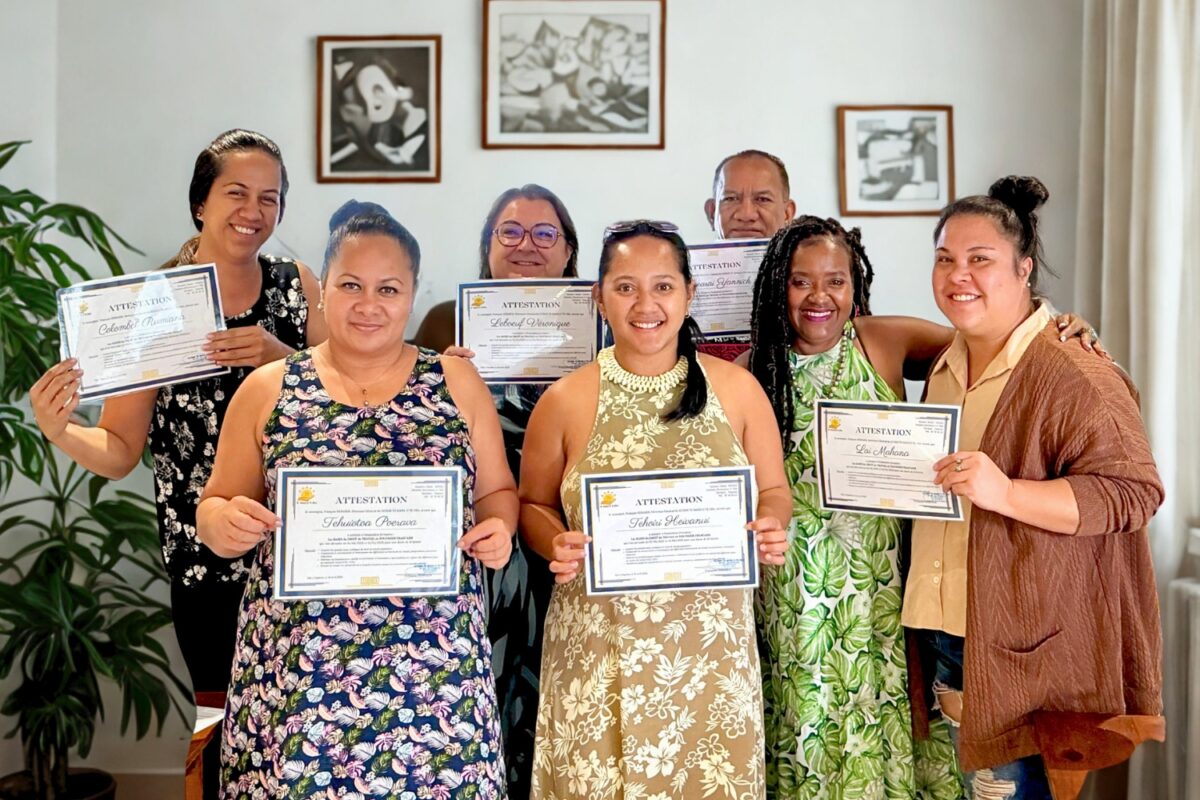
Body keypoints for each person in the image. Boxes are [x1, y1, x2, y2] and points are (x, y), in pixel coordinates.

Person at [742, 215, 1105, 799]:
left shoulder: (882, 339)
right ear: (776, 285)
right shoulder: (749, 373)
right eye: (800, 281)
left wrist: (1059, 322)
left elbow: (998, 343)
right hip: (796, 595)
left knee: (902, 719)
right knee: (809, 722)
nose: (818, 297)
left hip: (888, 585)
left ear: (856, 285)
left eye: (835, 281)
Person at [28, 129, 324, 797]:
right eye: (236, 193)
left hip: (304, 548)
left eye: (270, 198)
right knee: (220, 723)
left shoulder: (298, 286)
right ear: (200, 203)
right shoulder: (154, 304)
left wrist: (282, 357)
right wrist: (60, 430)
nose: (253, 211)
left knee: (303, 724)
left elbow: (345, 404)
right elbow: (119, 449)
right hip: (205, 558)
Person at [196, 201, 516, 797]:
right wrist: (224, 522)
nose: (369, 304)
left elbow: (497, 490)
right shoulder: (268, 387)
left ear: (412, 295)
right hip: (299, 669)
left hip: (435, 665)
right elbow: (213, 505)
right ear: (323, 291)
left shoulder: (456, 382)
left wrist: (498, 528)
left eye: (388, 288)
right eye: (350, 285)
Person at [905, 177, 1163, 799]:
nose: (958, 275)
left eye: (980, 259)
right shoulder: (946, 364)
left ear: (1023, 270)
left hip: (1025, 652)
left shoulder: (1073, 370)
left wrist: (1006, 492)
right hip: (950, 634)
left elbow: (1134, 492)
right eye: (945, 259)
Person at [520, 219, 792, 798]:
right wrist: (553, 541)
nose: (645, 305)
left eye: (663, 286)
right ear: (599, 297)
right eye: (625, 287)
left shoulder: (736, 389)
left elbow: (773, 490)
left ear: (689, 294)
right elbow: (532, 504)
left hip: (711, 653)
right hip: (597, 648)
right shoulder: (565, 399)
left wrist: (772, 523)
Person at [413, 183, 580, 800]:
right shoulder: (444, 320)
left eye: (545, 233)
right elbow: (410, 428)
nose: (526, 245)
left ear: (568, 251)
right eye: (510, 231)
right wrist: (443, 381)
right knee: (491, 675)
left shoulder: (600, 325)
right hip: (485, 534)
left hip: (568, 530)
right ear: (487, 246)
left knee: (560, 680)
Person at [699, 149, 797, 361]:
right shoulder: (678, 284)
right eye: (730, 198)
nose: (746, 215)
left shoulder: (812, 283)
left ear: (787, 213)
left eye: (762, 199)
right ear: (711, 212)